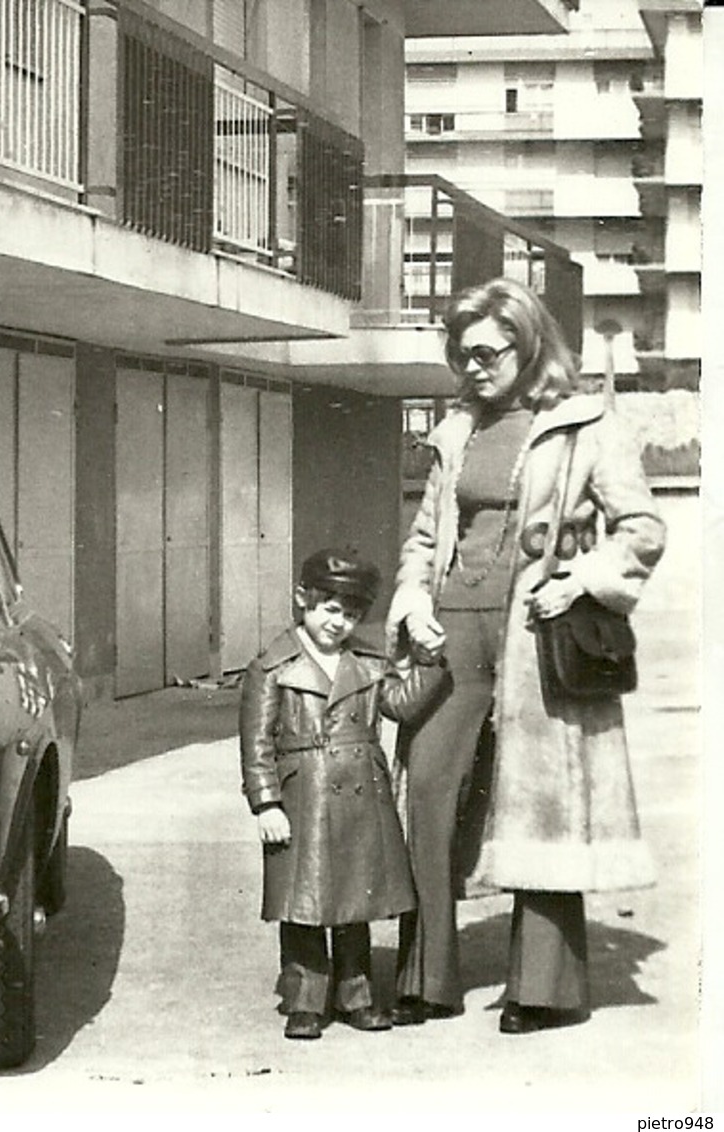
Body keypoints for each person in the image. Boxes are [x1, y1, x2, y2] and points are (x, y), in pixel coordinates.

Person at [386, 277, 665, 1034]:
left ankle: (543, 988)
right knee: (430, 798)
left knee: (539, 805)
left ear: (527, 343)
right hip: (450, 636)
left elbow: (641, 530)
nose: (471, 367)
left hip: (536, 636)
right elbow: (424, 538)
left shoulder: (586, 425)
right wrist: (412, 599)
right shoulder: (457, 430)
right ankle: (427, 978)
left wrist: (580, 581)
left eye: (485, 352)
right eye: (460, 354)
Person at [240, 548, 447, 1040]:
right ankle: (305, 999)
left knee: (355, 898)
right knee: (306, 901)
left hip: (361, 794)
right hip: (303, 796)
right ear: (302, 601)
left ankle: (357, 994)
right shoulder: (273, 666)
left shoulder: (368, 662)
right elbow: (256, 742)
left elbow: (401, 704)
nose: (339, 623)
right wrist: (267, 802)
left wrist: (430, 661)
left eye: (351, 613)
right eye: (330, 609)